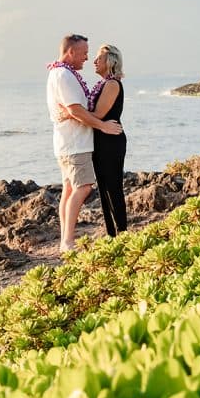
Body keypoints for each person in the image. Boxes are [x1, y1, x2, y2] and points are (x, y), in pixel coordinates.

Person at [46, 34, 122, 252]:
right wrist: (102, 126)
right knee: (83, 187)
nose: (87, 58)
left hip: (67, 142)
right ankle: (68, 241)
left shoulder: (60, 73)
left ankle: (65, 239)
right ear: (71, 52)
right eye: (84, 53)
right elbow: (75, 109)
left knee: (70, 190)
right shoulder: (64, 75)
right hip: (74, 144)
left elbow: (74, 110)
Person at [87, 44, 127, 237]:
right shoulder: (104, 84)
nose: (94, 61)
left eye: (99, 58)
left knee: (113, 187)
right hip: (102, 139)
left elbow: (99, 114)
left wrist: (72, 112)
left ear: (110, 62)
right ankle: (112, 233)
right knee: (104, 188)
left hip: (111, 141)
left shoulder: (112, 85)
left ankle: (121, 231)